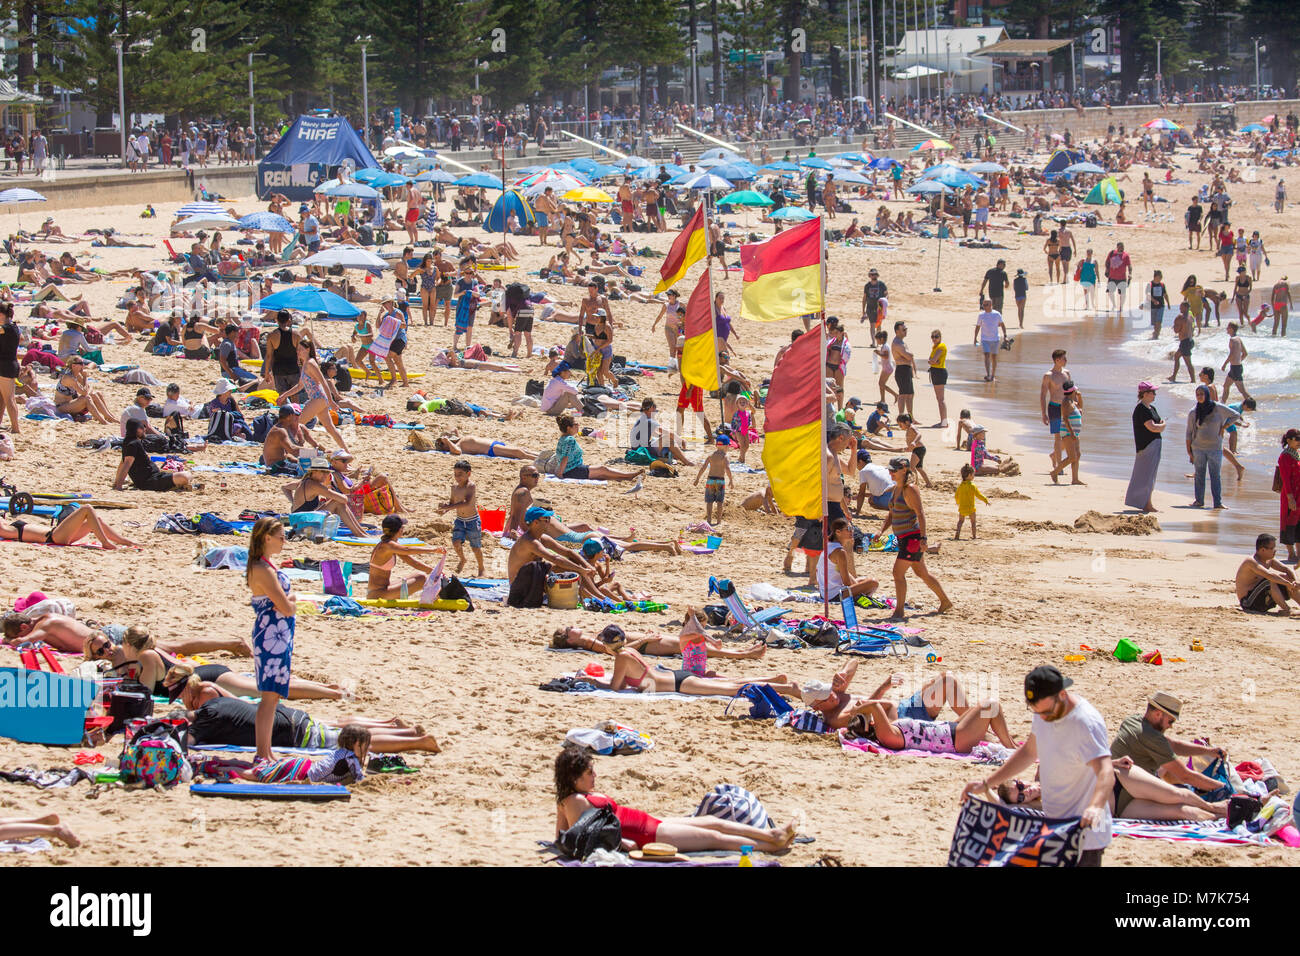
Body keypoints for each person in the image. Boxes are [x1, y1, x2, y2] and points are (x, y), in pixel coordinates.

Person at [962, 666, 1114, 866]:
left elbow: (1106, 771)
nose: (1043, 718)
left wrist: (1095, 807)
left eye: (1047, 712)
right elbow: (1028, 752)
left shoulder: (1085, 723)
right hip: (1052, 827)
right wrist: (987, 783)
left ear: (1062, 694)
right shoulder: (1043, 710)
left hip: (1085, 835)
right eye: (1036, 711)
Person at [553, 746, 798, 853]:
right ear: (574, 777)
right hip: (646, 836)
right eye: (589, 773)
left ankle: (771, 835)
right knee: (714, 838)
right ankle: (772, 846)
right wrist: (622, 844)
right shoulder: (575, 801)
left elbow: (559, 838)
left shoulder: (573, 797)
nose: (595, 776)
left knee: (714, 821)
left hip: (647, 823)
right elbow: (580, 839)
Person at [1110, 692, 1231, 804]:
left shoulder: (1133, 721)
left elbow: (1173, 745)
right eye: (1171, 721)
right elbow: (1185, 775)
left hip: (1115, 782)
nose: (1171, 726)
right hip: (1125, 794)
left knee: (1168, 766)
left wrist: (1209, 751)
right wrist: (1222, 788)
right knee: (1185, 799)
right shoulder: (1151, 737)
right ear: (1158, 714)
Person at [245, 517, 296, 762]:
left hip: (276, 634)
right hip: (271, 636)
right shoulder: (262, 569)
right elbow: (285, 607)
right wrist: (295, 604)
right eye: (280, 537)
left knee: (272, 696)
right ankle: (261, 753)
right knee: (269, 696)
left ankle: (266, 751)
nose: (283, 541)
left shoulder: (266, 564)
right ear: (267, 538)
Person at [878, 458, 951, 619]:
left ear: (904, 469)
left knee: (897, 573)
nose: (890, 473)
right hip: (903, 538)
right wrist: (881, 531)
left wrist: (924, 538)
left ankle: (899, 611)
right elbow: (892, 514)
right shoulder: (896, 489)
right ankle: (945, 601)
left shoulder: (910, 489)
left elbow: (920, 513)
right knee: (922, 573)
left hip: (912, 538)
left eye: (893, 470)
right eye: (889, 470)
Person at [1185, 385, 1241, 510]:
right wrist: (1189, 450)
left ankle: (1218, 502)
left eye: (1202, 394)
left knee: (1215, 475)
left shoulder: (1217, 407)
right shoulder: (1193, 412)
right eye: (1197, 394)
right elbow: (1188, 432)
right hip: (1198, 448)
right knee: (1199, 475)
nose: (1199, 396)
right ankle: (1199, 501)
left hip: (1215, 448)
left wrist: (1224, 426)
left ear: (1207, 394)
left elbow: (1236, 415)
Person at [367, 515, 445, 600]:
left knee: (420, 576)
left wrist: (436, 572)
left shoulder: (391, 545)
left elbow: (413, 562)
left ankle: (439, 595)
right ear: (399, 530)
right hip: (377, 594)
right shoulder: (388, 545)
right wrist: (433, 550)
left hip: (382, 590)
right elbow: (407, 549)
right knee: (421, 580)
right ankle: (440, 597)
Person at [0, 504, 138, 550]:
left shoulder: (6, 526)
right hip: (53, 537)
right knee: (87, 509)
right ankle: (105, 543)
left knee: (97, 520)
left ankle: (126, 542)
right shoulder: (6, 531)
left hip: (56, 535)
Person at [553, 414, 643, 482]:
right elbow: (565, 457)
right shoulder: (570, 440)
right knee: (602, 469)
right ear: (569, 428)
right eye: (576, 424)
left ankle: (625, 477)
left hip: (572, 468)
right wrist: (560, 474)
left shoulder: (563, 438)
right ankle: (628, 475)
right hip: (572, 470)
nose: (578, 425)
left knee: (602, 474)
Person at [113, 419, 193, 492]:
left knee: (186, 475)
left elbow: (122, 462)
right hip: (150, 481)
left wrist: (116, 482)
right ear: (137, 429)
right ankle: (180, 486)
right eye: (142, 427)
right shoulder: (133, 444)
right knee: (185, 476)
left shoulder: (128, 442)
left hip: (153, 477)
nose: (145, 429)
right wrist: (119, 486)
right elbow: (126, 464)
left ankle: (180, 486)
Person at [1124, 382, 1166, 514]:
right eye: (1152, 392)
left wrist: (1160, 425)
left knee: (1150, 475)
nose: (1154, 395)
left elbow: (1155, 424)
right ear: (1145, 394)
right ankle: (1147, 504)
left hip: (1154, 444)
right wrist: (1163, 426)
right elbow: (1152, 427)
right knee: (1146, 476)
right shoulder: (1141, 409)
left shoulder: (1151, 408)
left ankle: (1147, 503)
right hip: (1147, 446)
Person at [815, 516, 879, 600]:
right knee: (873, 583)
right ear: (838, 532)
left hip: (826, 593)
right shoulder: (839, 552)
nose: (851, 531)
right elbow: (847, 582)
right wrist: (858, 588)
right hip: (834, 595)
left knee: (864, 580)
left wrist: (857, 585)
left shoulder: (830, 546)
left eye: (852, 528)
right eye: (848, 529)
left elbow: (845, 573)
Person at [1236, 533, 1300, 614]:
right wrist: (1287, 583)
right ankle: (1287, 609)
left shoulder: (1269, 560)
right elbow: (1269, 575)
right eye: (1272, 548)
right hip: (1248, 603)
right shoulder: (1251, 561)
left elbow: (1288, 569)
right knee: (1271, 580)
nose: (1275, 550)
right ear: (1263, 550)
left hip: (1262, 599)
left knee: (1286, 577)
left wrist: (1296, 581)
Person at [693, 434, 734, 525]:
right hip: (720, 480)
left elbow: (703, 467)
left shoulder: (711, 455)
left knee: (709, 501)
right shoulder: (725, 456)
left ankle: (709, 520)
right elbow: (727, 468)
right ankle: (718, 521)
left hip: (710, 480)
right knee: (719, 502)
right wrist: (731, 480)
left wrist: (697, 479)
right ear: (727, 446)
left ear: (716, 445)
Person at [1050, 380, 1084, 485]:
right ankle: (1054, 472)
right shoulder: (1066, 402)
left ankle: (1075, 479)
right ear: (1073, 391)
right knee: (1072, 457)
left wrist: (1080, 396)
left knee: (1077, 455)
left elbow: (1081, 407)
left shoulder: (1072, 401)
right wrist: (1072, 433)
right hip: (1068, 433)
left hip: (1074, 433)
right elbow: (1065, 418)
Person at [1278, 429, 1300, 563]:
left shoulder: (1296, 454)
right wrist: (1290, 498)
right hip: (1290, 495)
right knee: (1289, 523)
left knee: (1298, 524)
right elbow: (1285, 479)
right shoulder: (1285, 456)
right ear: (1288, 440)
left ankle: (1298, 554)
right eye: (1297, 439)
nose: (1299, 442)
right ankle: (1291, 554)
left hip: (1299, 495)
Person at [0, 302, 21, 434]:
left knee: (9, 398)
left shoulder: (8, 328)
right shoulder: (11, 327)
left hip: (6, 365)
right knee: (2, 398)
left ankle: (16, 428)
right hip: (7, 364)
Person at [973, 299, 1006, 382]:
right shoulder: (981, 315)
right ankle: (988, 374)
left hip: (995, 339)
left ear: (991, 305)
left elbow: (1002, 325)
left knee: (994, 357)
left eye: (986, 305)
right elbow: (978, 327)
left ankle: (993, 375)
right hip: (985, 339)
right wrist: (975, 338)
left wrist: (1005, 336)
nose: (984, 306)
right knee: (987, 355)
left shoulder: (997, 314)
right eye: (983, 305)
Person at [953, 464, 989, 540]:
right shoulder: (972, 485)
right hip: (971, 509)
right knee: (973, 522)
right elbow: (978, 495)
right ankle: (974, 536)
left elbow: (956, 496)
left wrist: (958, 502)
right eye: (973, 474)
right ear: (969, 475)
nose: (974, 476)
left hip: (962, 508)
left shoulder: (961, 486)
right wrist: (985, 500)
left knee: (960, 522)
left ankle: (957, 535)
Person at [889, 320, 915, 420]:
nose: (905, 331)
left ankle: (910, 417)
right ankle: (901, 416)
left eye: (906, 329)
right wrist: (909, 355)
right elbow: (909, 356)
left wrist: (909, 356)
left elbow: (909, 356)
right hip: (902, 369)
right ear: (897, 331)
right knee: (903, 394)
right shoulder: (897, 343)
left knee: (910, 394)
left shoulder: (902, 342)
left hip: (906, 369)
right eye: (903, 330)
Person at [1168, 303, 1196, 383]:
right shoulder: (1191, 316)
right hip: (1190, 340)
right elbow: (1193, 327)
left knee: (1188, 362)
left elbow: (1176, 330)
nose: (1180, 308)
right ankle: (1173, 376)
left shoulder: (1181, 317)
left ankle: (1193, 380)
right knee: (1176, 356)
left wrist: (1175, 325)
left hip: (1185, 342)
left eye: (1181, 307)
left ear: (1185, 307)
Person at [926, 330, 948, 427]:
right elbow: (932, 361)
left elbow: (933, 360)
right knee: (939, 399)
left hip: (939, 372)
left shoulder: (941, 346)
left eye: (936, 337)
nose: (934, 339)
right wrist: (932, 361)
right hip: (935, 371)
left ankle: (944, 422)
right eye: (932, 337)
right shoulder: (935, 347)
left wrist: (932, 361)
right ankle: (943, 421)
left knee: (940, 399)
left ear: (940, 337)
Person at [1104, 241, 1131, 314]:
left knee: (1123, 293)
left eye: (1123, 247)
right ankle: (1114, 304)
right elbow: (1107, 262)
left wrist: (1130, 274)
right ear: (1117, 247)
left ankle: (1121, 306)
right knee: (1110, 292)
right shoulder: (1112, 253)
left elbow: (1129, 266)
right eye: (1121, 247)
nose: (1122, 248)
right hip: (1112, 277)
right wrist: (1107, 269)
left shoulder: (1126, 255)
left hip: (1122, 278)